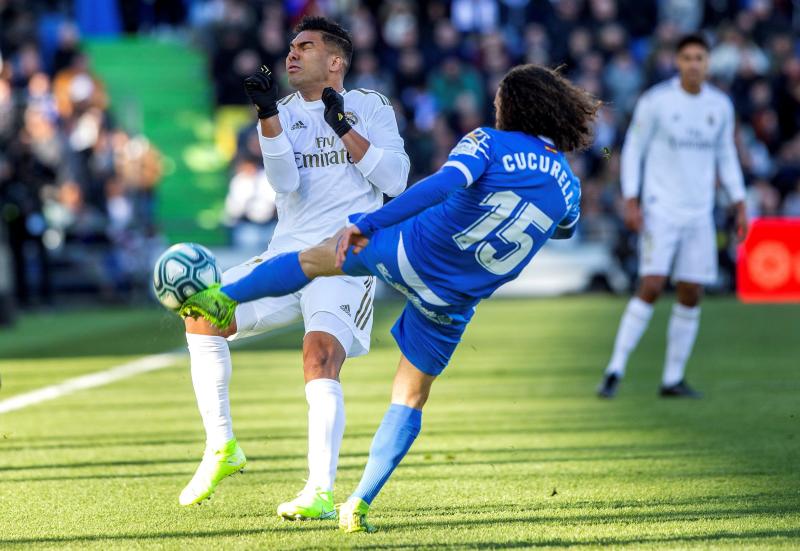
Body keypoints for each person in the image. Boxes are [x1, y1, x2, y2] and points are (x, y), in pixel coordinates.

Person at [180, 64, 595, 532]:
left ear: (511, 107)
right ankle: (358, 503)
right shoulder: (568, 184)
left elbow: (442, 185)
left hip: (413, 252)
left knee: (315, 260)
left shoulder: (488, 142)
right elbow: (565, 228)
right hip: (453, 300)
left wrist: (369, 222)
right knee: (411, 396)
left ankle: (224, 296)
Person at [179, 16, 410, 521]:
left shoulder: (370, 106)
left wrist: (341, 125)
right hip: (287, 256)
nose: (292, 54)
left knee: (318, 356)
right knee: (201, 313)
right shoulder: (280, 110)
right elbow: (285, 185)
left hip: (345, 259)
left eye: (305, 46)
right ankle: (222, 447)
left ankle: (320, 492)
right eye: (290, 47)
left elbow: (395, 179)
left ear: (335, 61)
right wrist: (266, 117)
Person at [597, 34, 747, 399]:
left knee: (692, 291)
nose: (693, 64)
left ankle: (672, 379)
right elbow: (633, 149)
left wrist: (738, 200)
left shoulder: (720, 106)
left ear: (708, 63)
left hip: (699, 213)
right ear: (676, 62)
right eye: (687, 58)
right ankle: (615, 369)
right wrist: (631, 198)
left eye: (699, 57)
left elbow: (726, 155)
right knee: (651, 284)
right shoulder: (656, 102)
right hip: (660, 207)